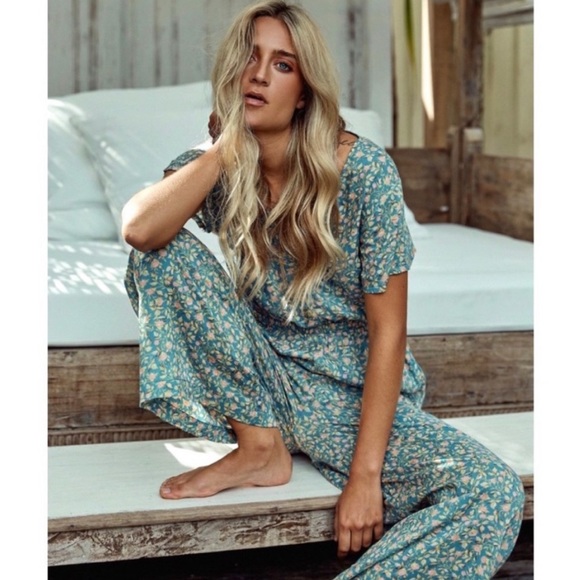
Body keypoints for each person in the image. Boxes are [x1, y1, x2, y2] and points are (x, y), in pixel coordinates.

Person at [122, 1, 524, 577]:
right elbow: (140, 229)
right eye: (250, 58)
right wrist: (227, 146)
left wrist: (365, 476)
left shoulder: (363, 172)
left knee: (493, 492)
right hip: (261, 389)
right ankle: (260, 448)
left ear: (304, 92)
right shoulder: (217, 166)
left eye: (283, 65)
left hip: (347, 398)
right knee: (161, 254)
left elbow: (389, 332)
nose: (260, 75)